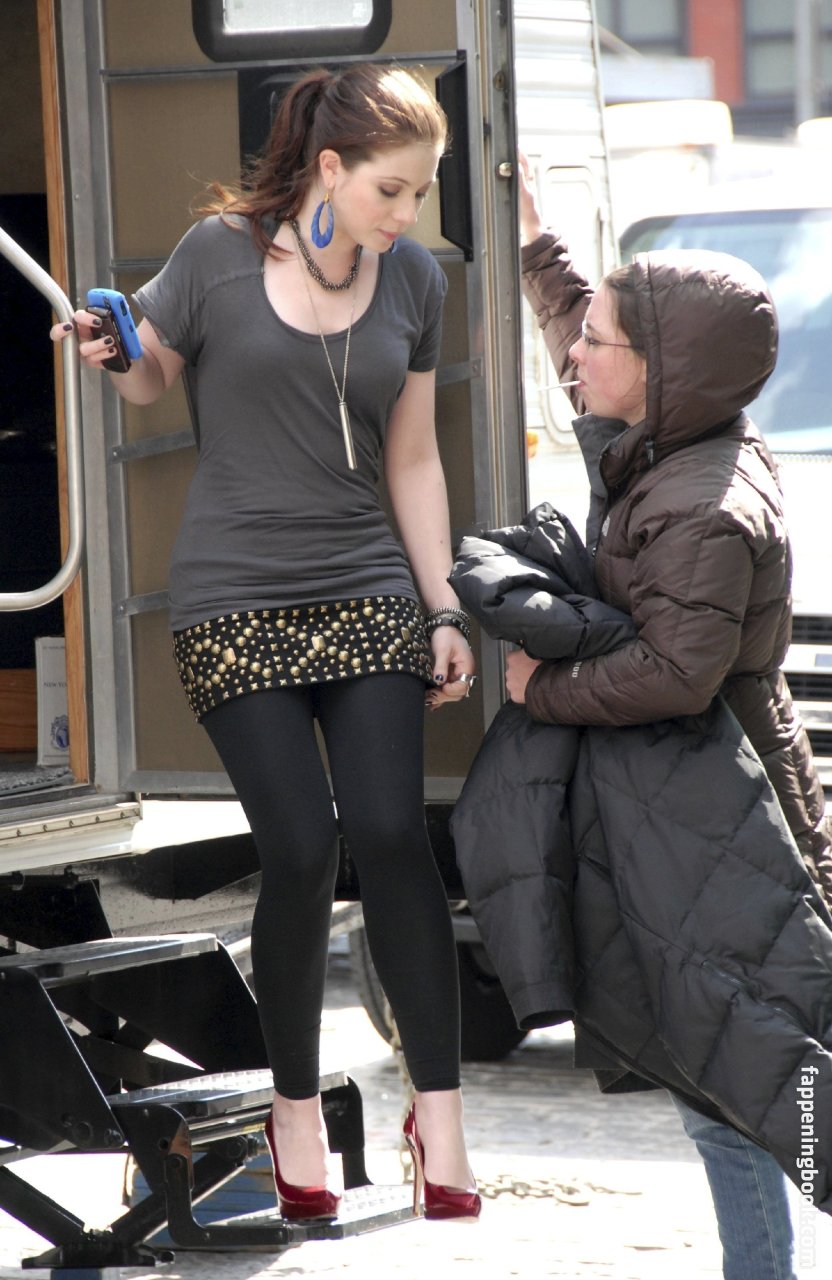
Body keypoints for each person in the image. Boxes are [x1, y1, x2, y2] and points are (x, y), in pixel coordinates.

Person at [51, 63, 480, 1224]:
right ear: (330, 169)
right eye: (393, 189)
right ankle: (294, 1109)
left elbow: (412, 457)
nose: (409, 214)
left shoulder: (414, 280)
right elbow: (149, 381)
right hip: (233, 596)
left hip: (365, 585)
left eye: (423, 190)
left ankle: (439, 1116)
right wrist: (112, 348)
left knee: (391, 834)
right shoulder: (215, 255)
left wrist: (442, 606)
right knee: (299, 846)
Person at [500, 157, 832, 1278]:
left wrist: (540, 689)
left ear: (662, 371)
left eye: (601, 344)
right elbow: (582, 337)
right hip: (701, 805)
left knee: (737, 1080)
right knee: (738, 1073)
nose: (577, 358)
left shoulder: (701, 504)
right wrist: (539, 248)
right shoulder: (668, 442)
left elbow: (676, 673)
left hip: (726, 813)